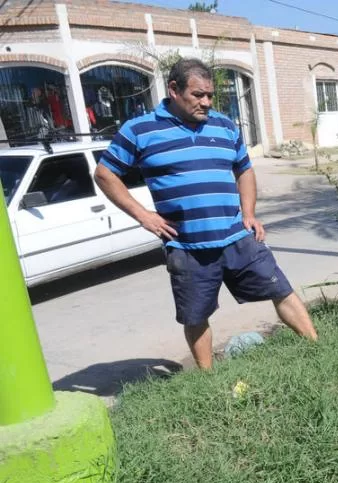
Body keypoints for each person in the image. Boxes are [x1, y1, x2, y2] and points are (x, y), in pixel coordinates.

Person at [94, 58, 318, 370]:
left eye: (210, 95)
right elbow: (105, 174)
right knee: (196, 315)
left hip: (237, 237)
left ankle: (316, 348)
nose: (206, 102)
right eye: (198, 95)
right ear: (174, 90)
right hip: (187, 247)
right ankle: (207, 378)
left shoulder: (224, 126)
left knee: (281, 288)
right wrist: (144, 215)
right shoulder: (140, 130)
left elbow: (245, 169)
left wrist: (249, 213)